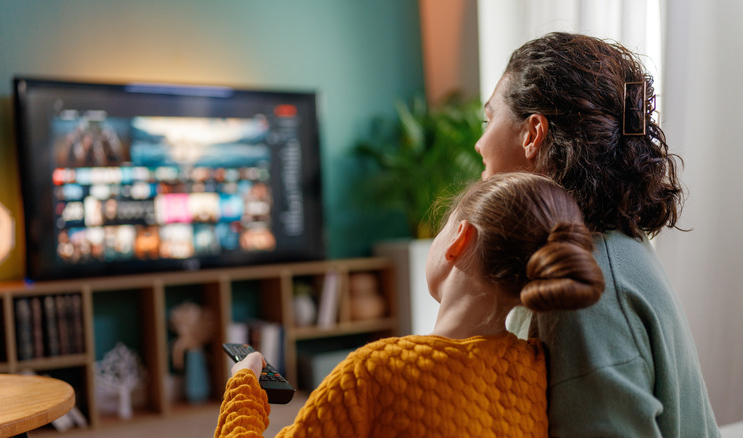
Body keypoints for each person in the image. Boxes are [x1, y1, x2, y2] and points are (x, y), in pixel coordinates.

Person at [214, 173, 605, 437]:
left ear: (459, 240)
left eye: (443, 226)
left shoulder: (377, 370)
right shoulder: (535, 369)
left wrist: (244, 385)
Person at [476, 32, 720, 436]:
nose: (480, 143)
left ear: (533, 133)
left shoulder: (582, 293)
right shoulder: (612, 249)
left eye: (489, 119)